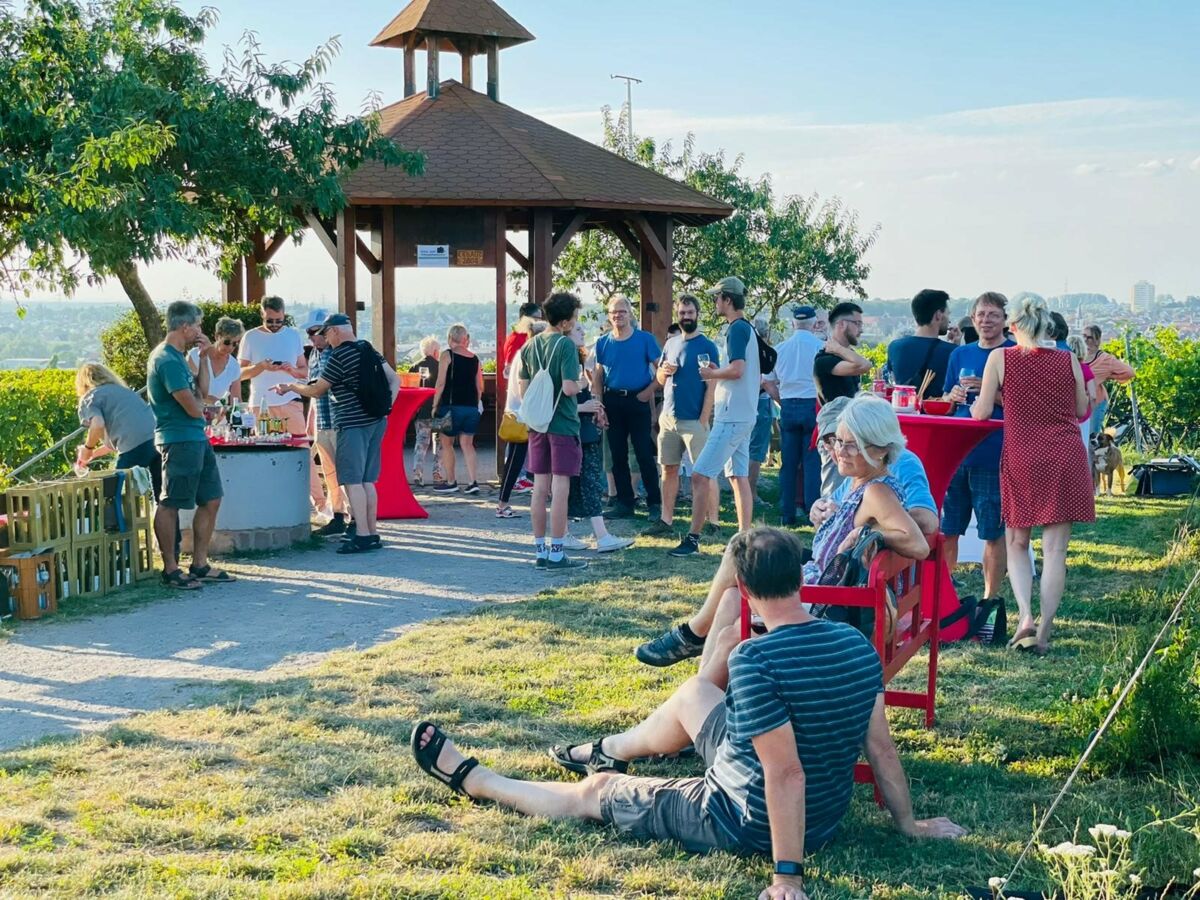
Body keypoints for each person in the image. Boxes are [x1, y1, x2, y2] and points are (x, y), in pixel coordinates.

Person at [412, 527, 965, 900]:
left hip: (744, 819)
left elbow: (785, 772)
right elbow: (882, 749)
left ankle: (477, 780)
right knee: (696, 693)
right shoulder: (852, 642)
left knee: (595, 794)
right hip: (823, 811)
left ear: (742, 589)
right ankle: (609, 748)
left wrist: (787, 876)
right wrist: (907, 825)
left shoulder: (755, 658)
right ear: (800, 578)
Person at [639, 395, 930, 667]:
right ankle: (702, 674)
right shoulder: (863, 482)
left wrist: (870, 537)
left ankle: (696, 646)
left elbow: (918, 545)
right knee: (739, 563)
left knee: (738, 580)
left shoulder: (877, 491)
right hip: (825, 592)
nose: (839, 451)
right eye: (838, 441)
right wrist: (824, 510)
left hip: (826, 608)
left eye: (852, 445)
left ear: (880, 449)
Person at [973, 296, 1093, 656]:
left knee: (1017, 543)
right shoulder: (1068, 358)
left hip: (1023, 453)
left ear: (1013, 327)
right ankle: (1043, 630)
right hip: (1065, 454)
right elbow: (1082, 408)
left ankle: (1025, 615)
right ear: (1046, 327)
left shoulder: (1000, 358)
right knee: (1056, 551)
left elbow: (980, 412)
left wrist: (998, 401)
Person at [275, 314, 399, 554]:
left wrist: (290, 387)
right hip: (376, 421)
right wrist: (387, 408)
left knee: (352, 480)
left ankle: (361, 535)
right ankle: (372, 533)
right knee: (367, 480)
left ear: (334, 332)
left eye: (325, 333)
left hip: (351, 424)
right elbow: (394, 379)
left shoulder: (338, 356)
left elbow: (317, 390)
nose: (323, 338)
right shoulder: (368, 349)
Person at [670, 277, 760, 557]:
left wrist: (712, 373)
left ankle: (693, 539)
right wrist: (718, 371)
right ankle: (744, 540)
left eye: (717, 298)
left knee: (699, 475)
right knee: (738, 476)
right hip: (746, 413)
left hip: (731, 416)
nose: (714, 303)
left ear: (727, 300)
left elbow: (737, 370)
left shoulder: (736, 330)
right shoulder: (749, 328)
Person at [146, 301, 233, 590]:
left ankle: (199, 564)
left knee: (211, 498)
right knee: (170, 502)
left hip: (197, 437)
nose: (199, 330)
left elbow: (203, 391)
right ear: (185, 326)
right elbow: (193, 405)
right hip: (178, 439)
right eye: (196, 325)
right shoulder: (166, 360)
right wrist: (208, 410)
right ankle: (171, 570)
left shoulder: (180, 357)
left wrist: (205, 356)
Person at [941, 292, 1016, 602]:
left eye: (993, 315)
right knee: (949, 527)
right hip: (957, 453)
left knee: (992, 531)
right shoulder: (959, 354)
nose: (986, 320)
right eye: (981, 315)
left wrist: (989, 394)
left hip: (994, 452)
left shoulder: (1014, 353)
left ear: (1004, 320)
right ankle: (944, 595)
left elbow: (1023, 406)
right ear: (972, 319)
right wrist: (954, 396)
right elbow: (944, 400)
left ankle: (989, 598)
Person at [520, 292, 587, 572]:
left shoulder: (529, 346)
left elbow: (524, 390)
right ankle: (557, 552)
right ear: (565, 321)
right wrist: (584, 383)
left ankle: (539, 549)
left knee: (539, 487)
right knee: (561, 488)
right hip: (562, 424)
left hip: (538, 425)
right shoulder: (565, 346)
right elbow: (570, 387)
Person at [642, 295, 718, 538]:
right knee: (668, 469)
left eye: (690, 312)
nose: (686, 317)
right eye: (682, 313)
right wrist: (664, 372)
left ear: (698, 314)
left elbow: (712, 383)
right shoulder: (671, 344)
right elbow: (661, 379)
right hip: (669, 418)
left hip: (694, 419)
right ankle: (666, 520)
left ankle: (712, 521)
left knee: (704, 473)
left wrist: (704, 417)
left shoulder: (708, 346)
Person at [566, 321, 634, 553]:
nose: (583, 331)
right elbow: (560, 402)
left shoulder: (576, 360)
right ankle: (601, 536)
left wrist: (594, 408)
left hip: (582, 431)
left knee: (577, 484)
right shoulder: (566, 362)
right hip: (576, 433)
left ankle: (565, 533)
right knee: (590, 482)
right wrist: (585, 407)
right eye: (577, 329)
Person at [592, 297, 662, 520]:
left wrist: (648, 392)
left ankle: (654, 503)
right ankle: (625, 503)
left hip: (637, 400)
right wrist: (599, 406)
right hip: (613, 401)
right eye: (613, 312)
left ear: (630, 314)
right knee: (617, 454)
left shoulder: (645, 340)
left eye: (622, 311)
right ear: (609, 315)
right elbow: (598, 376)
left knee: (643, 453)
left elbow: (662, 371)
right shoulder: (603, 342)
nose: (618, 315)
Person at [764, 304, 824, 525]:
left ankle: (787, 511)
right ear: (814, 324)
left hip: (788, 405)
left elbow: (767, 381)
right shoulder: (821, 348)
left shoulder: (779, 349)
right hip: (813, 405)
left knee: (788, 463)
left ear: (792, 323)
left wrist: (781, 400)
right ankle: (811, 511)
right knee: (811, 461)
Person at [74, 363, 161, 499]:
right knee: (163, 498)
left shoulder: (90, 398)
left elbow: (97, 425)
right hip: (158, 440)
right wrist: (92, 454)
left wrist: (87, 448)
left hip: (135, 446)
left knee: (115, 494)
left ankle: (120, 520)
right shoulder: (123, 392)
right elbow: (115, 444)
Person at [301, 310, 350, 538]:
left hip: (340, 420)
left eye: (314, 332)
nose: (311, 337)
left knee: (347, 472)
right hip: (322, 420)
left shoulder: (339, 352)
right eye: (308, 333)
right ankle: (338, 515)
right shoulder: (314, 355)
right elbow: (314, 391)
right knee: (329, 473)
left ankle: (355, 518)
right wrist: (311, 421)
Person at [497, 304, 544, 517]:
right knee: (516, 460)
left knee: (516, 460)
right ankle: (502, 504)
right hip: (523, 413)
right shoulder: (529, 354)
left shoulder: (520, 352)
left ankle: (503, 502)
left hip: (518, 411)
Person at [237, 296, 307, 434]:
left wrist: (291, 370)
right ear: (262, 314)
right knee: (264, 451)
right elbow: (238, 374)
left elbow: (304, 371)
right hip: (260, 404)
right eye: (269, 321)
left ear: (284, 315)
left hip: (290, 401)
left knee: (298, 447)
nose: (274, 324)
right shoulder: (250, 337)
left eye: (279, 321)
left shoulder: (293, 335)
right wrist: (261, 366)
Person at [430, 324, 484, 495]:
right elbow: (479, 386)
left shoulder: (447, 355)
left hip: (449, 407)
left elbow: (440, 382)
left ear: (450, 338)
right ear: (464, 339)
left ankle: (451, 481)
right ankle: (472, 481)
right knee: (468, 444)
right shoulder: (475, 359)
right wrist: (475, 403)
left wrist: (434, 405)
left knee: (446, 444)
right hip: (471, 408)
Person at [886, 289, 955, 393]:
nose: (949, 320)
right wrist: (956, 347)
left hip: (905, 407)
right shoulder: (953, 351)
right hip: (936, 408)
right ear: (938, 315)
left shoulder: (894, 347)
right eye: (947, 314)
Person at [1082, 325, 1135, 435]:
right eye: (1084, 336)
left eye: (1089, 338)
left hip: (1096, 403)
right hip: (1081, 404)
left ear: (1097, 341)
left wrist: (1109, 375)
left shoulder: (1105, 359)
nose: (1085, 340)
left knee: (1092, 436)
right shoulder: (1078, 356)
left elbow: (1129, 372)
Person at [813, 302, 871, 403]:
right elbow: (865, 365)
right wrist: (838, 348)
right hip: (836, 418)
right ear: (842, 324)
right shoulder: (825, 359)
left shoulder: (847, 354)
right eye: (857, 324)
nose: (861, 330)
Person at [748, 318, 777, 503]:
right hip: (761, 402)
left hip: (747, 403)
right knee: (757, 450)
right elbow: (765, 381)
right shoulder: (764, 355)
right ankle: (751, 493)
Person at [408, 336, 442, 489]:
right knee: (440, 443)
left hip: (422, 411)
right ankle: (437, 473)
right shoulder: (442, 366)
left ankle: (418, 472)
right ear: (435, 351)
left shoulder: (414, 367)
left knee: (421, 443)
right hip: (440, 410)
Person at [187, 316, 243, 404]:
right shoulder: (194, 356)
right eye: (227, 342)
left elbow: (236, 400)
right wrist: (213, 401)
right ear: (217, 336)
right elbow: (190, 391)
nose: (230, 347)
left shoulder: (234, 366)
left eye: (235, 343)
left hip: (220, 416)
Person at [1066, 335, 1098, 446]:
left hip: (1065, 414)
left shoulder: (1063, 367)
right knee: (1083, 445)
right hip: (1083, 416)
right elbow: (1093, 395)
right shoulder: (1085, 369)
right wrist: (1090, 411)